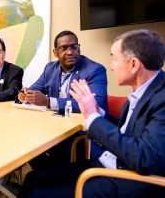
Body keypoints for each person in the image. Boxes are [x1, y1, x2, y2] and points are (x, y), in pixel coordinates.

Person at [20, 29, 165, 198]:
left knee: (36, 195)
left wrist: (93, 118)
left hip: (125, 181)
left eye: (115, 59)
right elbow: (127, 130)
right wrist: (98, 112)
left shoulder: (161, 99)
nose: (111, 66)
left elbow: (144, 159)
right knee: (32, 179)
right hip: (107, 163)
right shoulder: (143, 91)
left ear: (133, 64)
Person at [18, 30, 108, 169]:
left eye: (74, 47)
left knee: (49, 148)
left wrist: (48, 101)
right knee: (25, 139)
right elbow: (35, 88)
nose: (70, 52)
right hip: (55, 127)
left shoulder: (94, 70)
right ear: (55, 53)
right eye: (64, 48)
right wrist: (26, 94)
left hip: (80, 134)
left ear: (79, 48)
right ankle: (45, 176)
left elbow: (94, 103)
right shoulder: (50, 68)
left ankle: (54, 177)